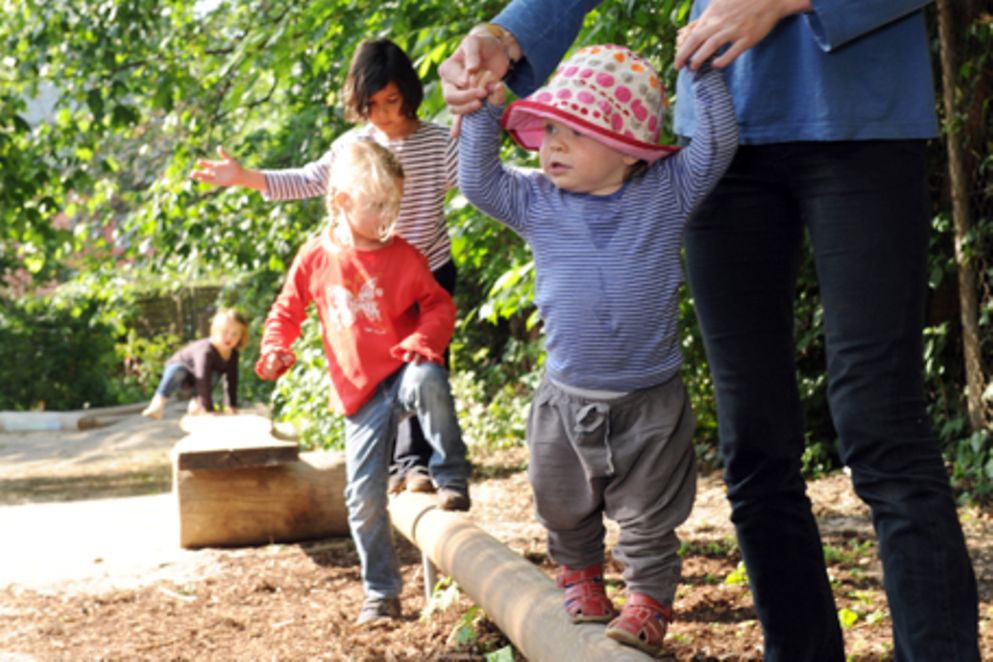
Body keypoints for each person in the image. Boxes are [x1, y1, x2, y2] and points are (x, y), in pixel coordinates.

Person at [440, 2, 981, 660]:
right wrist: (503, 37)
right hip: (723, 131)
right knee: (754, 440)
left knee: (880, 422)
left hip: (861, 114)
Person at [457, 43, 737, 655]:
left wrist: (705, 70)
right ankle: (580, 574)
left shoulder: (666, 192)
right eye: (548, 129)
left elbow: (715, 145)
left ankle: (648, 600)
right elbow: (476, 180)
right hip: (565, 397)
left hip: (650, 402)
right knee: (560, 503)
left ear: (627, 146)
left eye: (571, 132)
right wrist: (480, 112)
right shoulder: (537, 200)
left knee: (649, 514)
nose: (550, 144)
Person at [191, 37, 457, 496]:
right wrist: (243, 177)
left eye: (391, 102)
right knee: (380, 371)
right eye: (371, 105)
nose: (383, 115)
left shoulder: (436, 142)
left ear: (409, 94)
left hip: (426, 271)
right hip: (373, 278)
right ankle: (394, 461)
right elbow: (306, 179)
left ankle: (421, 463)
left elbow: (482, 179)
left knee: (420, 365)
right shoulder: (353, 147)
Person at [256, 139, 472, 624]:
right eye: (377, 206)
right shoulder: (316, 258)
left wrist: (423, 340)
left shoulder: (405, 257)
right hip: (362, 396)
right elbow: (286, 311)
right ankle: (381, 594)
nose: (388, 216)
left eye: (393, 204)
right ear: (341, 202)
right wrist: (275, 348)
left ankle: (451, 472)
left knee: (429, 376)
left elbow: (439, 304)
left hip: (404, 370)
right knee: (362, 500)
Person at [141, 307, 249, 419]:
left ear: (241, 337)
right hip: (182, 374)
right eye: (225, 332)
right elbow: (202, 377)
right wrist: (209, 409)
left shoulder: (233, 354)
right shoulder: (206, 351)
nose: (229, 337)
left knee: (214, 375)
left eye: (235, 334)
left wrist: (231, 406)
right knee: (178, 370)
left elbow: (231, 380)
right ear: (215, 331)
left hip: (200, 380)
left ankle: (197, 404)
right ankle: (159, 402)